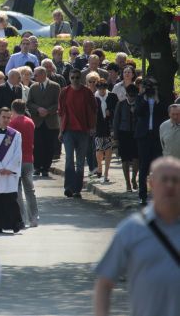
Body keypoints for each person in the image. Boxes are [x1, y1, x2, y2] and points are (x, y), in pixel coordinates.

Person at [93, 156, 180, 316]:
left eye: (175, 180)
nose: (170, 185)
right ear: (151, 183)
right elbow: (104, 283)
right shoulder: (132, 230)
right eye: (164, 179)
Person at [58, 68, 97, 198]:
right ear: (69, 78)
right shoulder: (64, 92)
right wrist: (60, 130)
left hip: (84, 130)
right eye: (72, 77)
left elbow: (93, 110)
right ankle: (68, 187)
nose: (74, 79)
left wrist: (92, 127)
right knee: (69, 159)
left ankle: (77, 189)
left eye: (77, 77)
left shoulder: (87, 92)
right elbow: (61, 112)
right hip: (68, 130)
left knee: (80, 161)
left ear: (80, 78)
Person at [134, 77, 166, 205]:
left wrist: (157, 99)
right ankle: (142, 195)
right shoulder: (140, 98)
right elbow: (138, 113)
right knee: (144, 166)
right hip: (144, 136)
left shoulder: (161, 98)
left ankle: (158, 194)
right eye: (149, 87)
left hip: (157, 136)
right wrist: (145, 99)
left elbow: (165, 113)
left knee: (157, 166)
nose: (150, 90)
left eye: (153, 87)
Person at [8, 100, 39, 228]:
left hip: (16, 160)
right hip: (28, 158)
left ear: (13, 109)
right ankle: (34, 217)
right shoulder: (30, 122)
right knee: (30, 189)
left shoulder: (12, 123)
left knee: (18, 190)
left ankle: (22, 217)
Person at [27, 66, 60, 177]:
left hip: (51, 122)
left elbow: (58, 103)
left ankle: (46, 168)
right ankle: (37, 167)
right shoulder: (33, 86)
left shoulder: (55, 86)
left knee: (49, 146)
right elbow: (29, 103)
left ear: (43, 74)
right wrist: (38, 109)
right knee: (37, 145)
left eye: (36, 75)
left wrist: (48, 111)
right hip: (37, 121)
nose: (34, 77)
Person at [112, 84, 140, 192]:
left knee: (136, 158)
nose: (131, 97)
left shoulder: (139, 104)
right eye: (129, 95)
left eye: (133, 95)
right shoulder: (121, 104)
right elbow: (116, 121)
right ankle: (128, 182)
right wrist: (115, 137)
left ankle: (133, 178)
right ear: (126, 94)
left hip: (136, 134)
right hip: (123, 133)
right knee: (125, 159)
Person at [94, 79, 118, 183]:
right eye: (100, 88)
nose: (102, 90)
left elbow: (117, 111)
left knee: (109, 150)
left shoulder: (112, 96)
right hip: (98, 127)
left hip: (109, 126)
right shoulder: (94, 98)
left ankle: (106, 173)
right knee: (99, 149)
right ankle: (100, 166)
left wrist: (110, 112)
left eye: (103, 88)